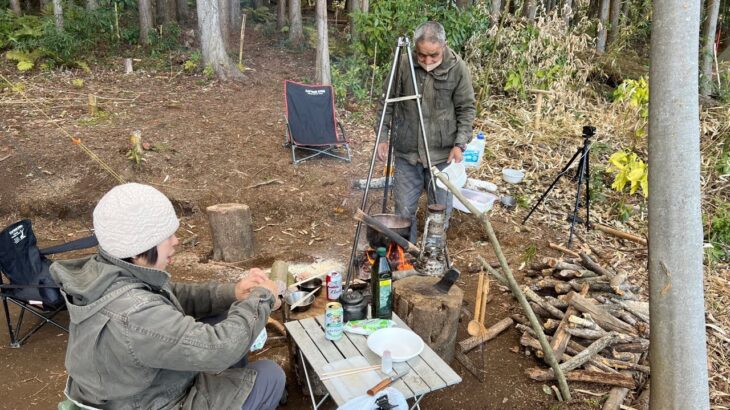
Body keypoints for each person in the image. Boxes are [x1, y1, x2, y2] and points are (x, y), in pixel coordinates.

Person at [50, 183, 286, 410]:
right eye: (167, 236)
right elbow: (220, 347)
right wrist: (262, 298)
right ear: (139, 247)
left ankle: (227, 385)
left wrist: (233, 293)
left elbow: (174, 294)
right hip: (153, 402)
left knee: (221, 314)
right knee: (270, 377)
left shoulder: (108, 270)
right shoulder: (134, 314)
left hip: (136, 390)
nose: (176, 241)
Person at [376, 21, 476, 242]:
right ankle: (405, 257)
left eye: (433, 55)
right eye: (422, 55)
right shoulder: (403, 63)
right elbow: (386, 104)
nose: (427, 61)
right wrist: (382, 138)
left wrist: (459, 144)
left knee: (439, 214)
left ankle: (432, 258)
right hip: (407, 152)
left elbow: (466, 109)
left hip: (441, 156)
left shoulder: (457, 68)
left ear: (444, 45)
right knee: (402, 213)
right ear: (415, 49)